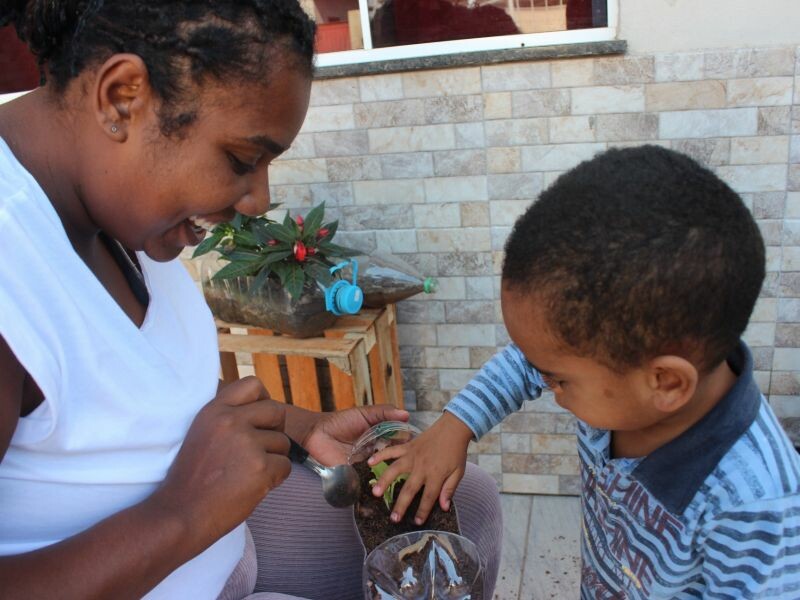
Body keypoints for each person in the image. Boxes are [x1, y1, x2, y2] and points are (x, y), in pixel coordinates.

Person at [0, 2, 502, 599]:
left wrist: (299, 426)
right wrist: (182, 516)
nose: (258, 199)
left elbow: (120, 397)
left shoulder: (107, 207)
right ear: (122, 97)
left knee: (462, 503)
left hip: (225, 545)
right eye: (242, 159)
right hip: (181, 548)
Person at [371, 145, 800, 597]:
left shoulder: (756, 508)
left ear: (667, 383)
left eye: (557, 380)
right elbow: (525, 362)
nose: (547, 386)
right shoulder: (622, 377)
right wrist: (455, 426)